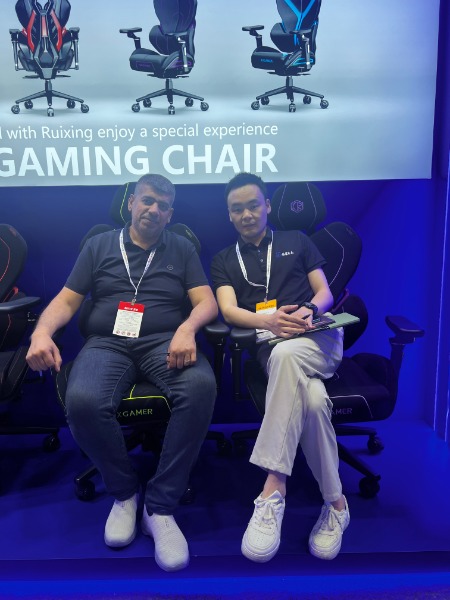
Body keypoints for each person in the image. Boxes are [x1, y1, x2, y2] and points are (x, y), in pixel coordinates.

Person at [26, 173, 218, 572]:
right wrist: (41, 333)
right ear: (131, 203)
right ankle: (125, 492)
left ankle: (160, 507)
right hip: (107, 343)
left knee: (200, 386)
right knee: (82, 400)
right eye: (147, 201)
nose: (154, 210)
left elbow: (206, 302)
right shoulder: (98, 245)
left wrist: (187, 329)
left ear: (170, 214)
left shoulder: (181, 247)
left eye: (163, 206)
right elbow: (66, 300)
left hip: (164, 340)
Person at [210, 172, 349, 563]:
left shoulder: (297, 240)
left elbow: (324, 292)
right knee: (314, 401)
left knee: (288, 356)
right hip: (270, 346)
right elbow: (228, 310)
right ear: (230, 215)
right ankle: (336, 503)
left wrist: (308, 311)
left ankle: (273, 487)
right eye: (237, 209)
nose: (247, 214)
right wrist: (269, 321)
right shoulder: (223, 260)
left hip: (317, 339)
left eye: (253, 205)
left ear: (267, 206)